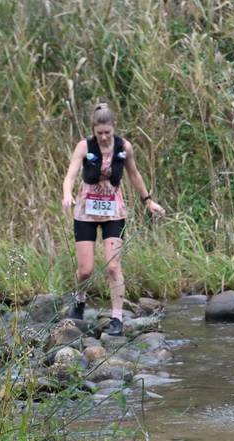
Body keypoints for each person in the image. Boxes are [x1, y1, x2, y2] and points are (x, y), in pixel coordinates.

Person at [61, 103, 165, 336]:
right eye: (100, 133)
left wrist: (148, 201)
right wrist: (67, 195)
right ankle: (79, 299)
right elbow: (70, 175)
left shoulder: (124, 146)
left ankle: (117, 318)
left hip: (113, 211)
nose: (105, 137)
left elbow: (134, 174)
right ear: (94, 130)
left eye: (108, 132)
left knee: (113, 265)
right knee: (85, 270)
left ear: (113, 128)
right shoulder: (83, 146)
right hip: (86, 210)